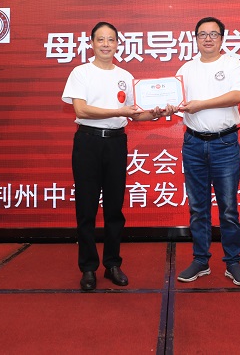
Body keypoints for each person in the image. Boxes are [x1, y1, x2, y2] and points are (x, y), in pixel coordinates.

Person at [62, 21, 169, 291]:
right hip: (87, 142)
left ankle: (112, 264)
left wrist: (156, 113)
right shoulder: (81, 72)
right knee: (86, 208)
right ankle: (88, 268)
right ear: (91, 43)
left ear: (118, 45)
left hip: (116, 143)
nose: (106, 44)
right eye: (101, 39)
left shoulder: (125, 75)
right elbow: (82, 110)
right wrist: (119, 111)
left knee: (114, 208)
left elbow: (135, 113)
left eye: (111, 40)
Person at [175, 16, 240, 286]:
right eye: (202, 34)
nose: (208, 38)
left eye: (213, 34)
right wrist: (163, 105)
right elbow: (175, 99)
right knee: (198, 208)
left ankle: (233, 262)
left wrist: (201, 104)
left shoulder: (232, 63)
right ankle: (201, 260)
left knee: (228, 208)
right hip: (193, 144)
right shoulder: (186, 69)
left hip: (224, 144)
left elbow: (238, 95)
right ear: (195, 39)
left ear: (222, 39)